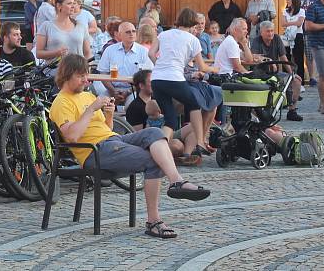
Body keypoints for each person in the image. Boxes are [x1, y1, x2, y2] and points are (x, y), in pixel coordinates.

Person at [49, 54, 210, 240]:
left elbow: (106, 129)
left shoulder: (86, 95)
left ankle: (176, 181)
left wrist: (108, 114)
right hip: (94, 153)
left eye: (87, 75)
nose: (86, 80)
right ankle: (154, 221)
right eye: (81, 76)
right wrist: (91, 109)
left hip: (112, 141)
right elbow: (72, 136)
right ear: (66, 75)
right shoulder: (61, 102)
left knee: (154, 133)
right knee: (154, 160)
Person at [149, 8, 219, 163]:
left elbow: (151, 54)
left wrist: (160, 66)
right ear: (193, 22)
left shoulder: (164, 34)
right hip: (174, 77)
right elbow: (202, 67)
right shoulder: (192, 39)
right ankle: (200, 142)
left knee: (170, 120)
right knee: (194, 104)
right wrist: (215, 69)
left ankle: (160, 151)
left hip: (157, 79)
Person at [251, 21, 304, 121]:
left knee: (297, 81)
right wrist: (269, 61)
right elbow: (254, 57)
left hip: (274, 72)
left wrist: (291, 73)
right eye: (267, 31)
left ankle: (292, 110)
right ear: (261, 32)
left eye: (272, 31)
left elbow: (283, 57)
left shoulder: (276, 38)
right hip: (260, 73)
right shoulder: (256, 41)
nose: (270, 33)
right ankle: (266, 112)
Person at [97, 22, 152, 105]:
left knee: (133, 105)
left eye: (133, 31)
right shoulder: (110, 50)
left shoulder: (144, 52)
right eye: (128, 32)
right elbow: (103, 73)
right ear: (120, 34)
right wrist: (112, 90)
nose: (132, 34)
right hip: (112, 88)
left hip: (134, 90)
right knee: (98, 104)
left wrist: (128, 91)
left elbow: (147, 76)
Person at [35, 0, 92, 64]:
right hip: (54, 73)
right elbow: (38, 53)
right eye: (69, 3)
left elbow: (87, 53)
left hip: (77, 72)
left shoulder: (80, 26)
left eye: (73, 3)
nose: (73, 6)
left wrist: (87, 70)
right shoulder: (46, 26)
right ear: (59, 6)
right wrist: (56, 53)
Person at [296, 0, 317, 85]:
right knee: (298, 56)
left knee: (310, 55)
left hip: (310, 31)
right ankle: (300, 78)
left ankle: (312, 77)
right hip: (297, 32)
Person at [282, 0, 305, 84]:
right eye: (286, 0)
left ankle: (300, 80)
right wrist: (293, 23)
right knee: (286, 56)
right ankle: (286, 79)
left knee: (298, 58)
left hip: (298, 35)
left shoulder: (301, 11)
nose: (287, 1)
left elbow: (300, 23)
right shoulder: (285, 11)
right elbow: (283, 23)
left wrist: (289, 23)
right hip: (287, 35)